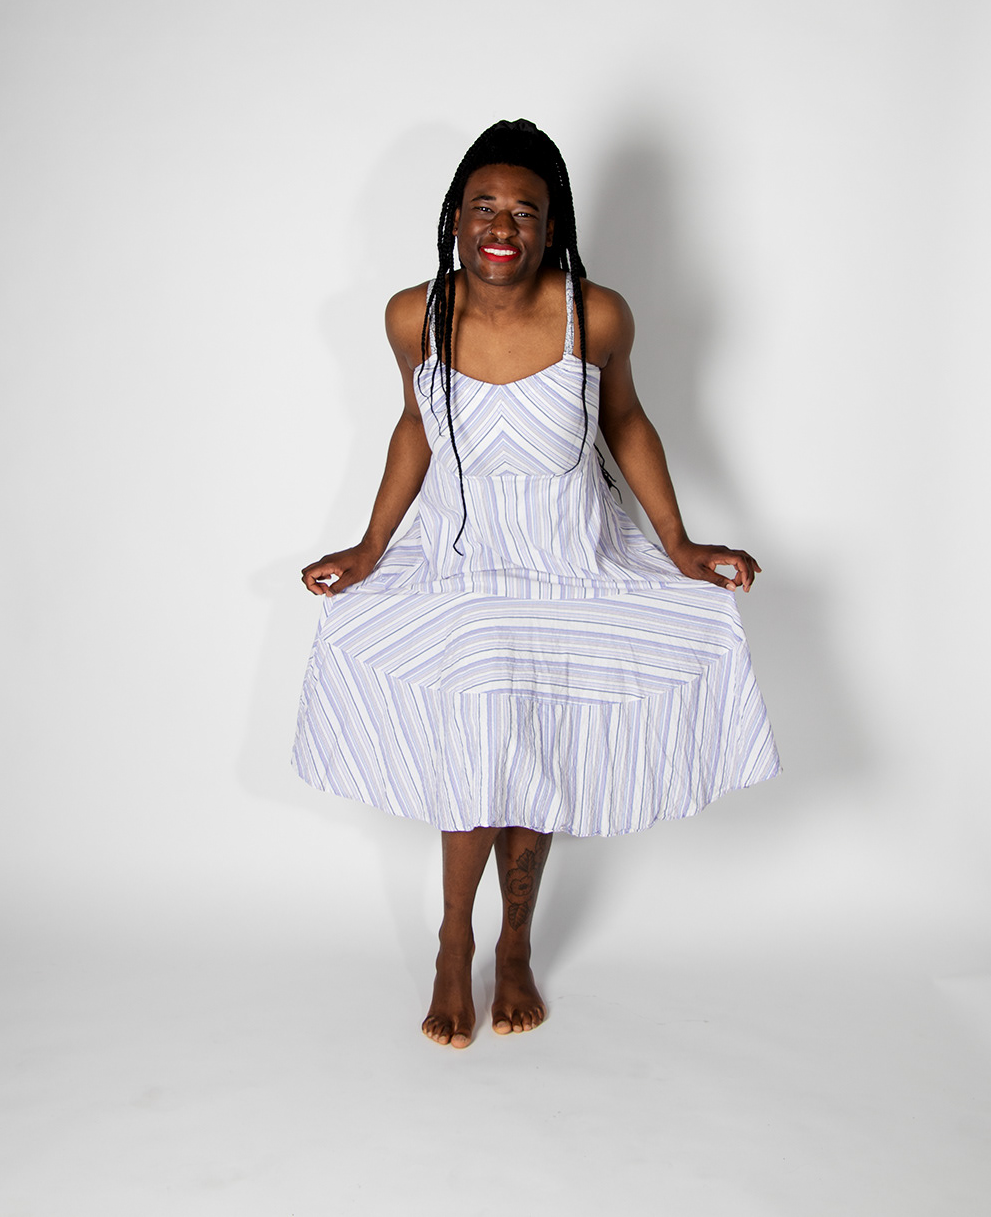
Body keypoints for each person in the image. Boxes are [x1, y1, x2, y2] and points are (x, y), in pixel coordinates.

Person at [294, 119, 779, 1049]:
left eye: (525, 210)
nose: (502, 225)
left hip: (572, 561)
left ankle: (513, 943)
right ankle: (454, 941)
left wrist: (677, 543)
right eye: (484, 207)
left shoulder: (597, 316)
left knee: (536, 741)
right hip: (464, 563)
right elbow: (415, 426)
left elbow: (626, 422)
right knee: (485, 730)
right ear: (456, 219)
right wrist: (370, 545)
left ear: (551, 227)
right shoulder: (412, 316)